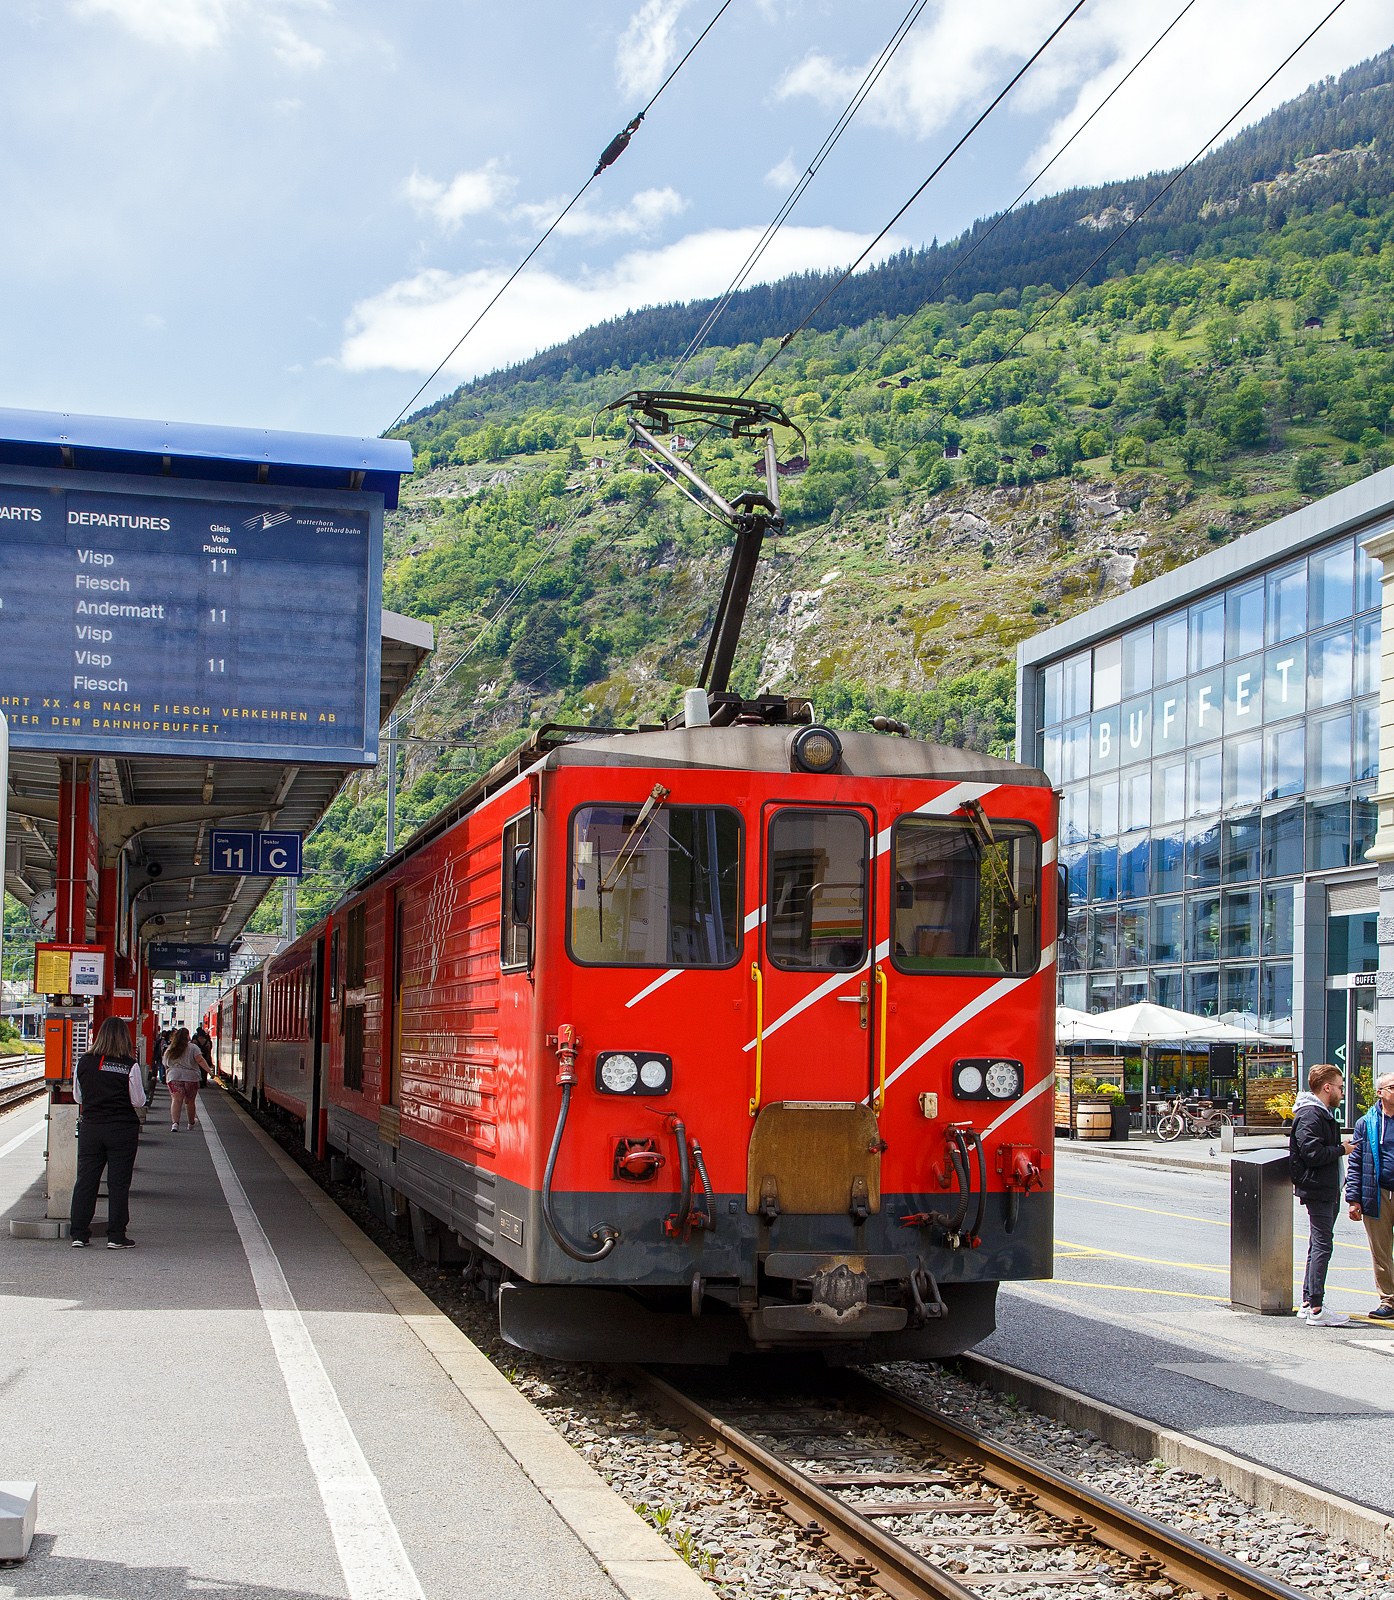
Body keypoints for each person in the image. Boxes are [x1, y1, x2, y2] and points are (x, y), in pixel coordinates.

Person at [70, 1017, 145, 1249]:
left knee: (86, 1180)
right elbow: (138, 1100)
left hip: (91, 1128)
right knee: (119, 1183)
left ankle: (80, 1234)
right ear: (125, 1038)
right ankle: (116, 1236)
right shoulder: (129, 1065)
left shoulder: (84, 1062)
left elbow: (78, 1097)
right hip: (121, 1130)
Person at [1289, 1062, 1353, 1327]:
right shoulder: (1312, 1115)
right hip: (1318, 1187)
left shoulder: (1319, 1113)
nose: (1342, 1093)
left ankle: (1308, 1303)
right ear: (1327, 1087)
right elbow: (1312, 1154)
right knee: (1322, 1245)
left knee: (1318, 1244)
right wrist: (1342, 1150)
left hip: (1322, 1186)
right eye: (1339, 1087)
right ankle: (1316, 1307)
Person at [1347, 1070, 1394, 1321]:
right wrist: (1354, 1199)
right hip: (1378, 1194)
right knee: (1381, 1251)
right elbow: (1355, 1162)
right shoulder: (1367, 1123)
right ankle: (1388, 1301)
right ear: (1380, 1092)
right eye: (1393, 1086)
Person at [164, 1027, 209, 1131]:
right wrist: (210, 1072)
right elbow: (200, 1060)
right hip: (191, 1077)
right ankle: (191, 1123)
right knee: (189, 1101)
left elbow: (166, 1064)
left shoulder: (171, 1048)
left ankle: (175, 1124)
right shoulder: (193, 1047)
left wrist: (169, 1073)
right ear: (188, 1036)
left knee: (176, 1100)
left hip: (174, 1076)